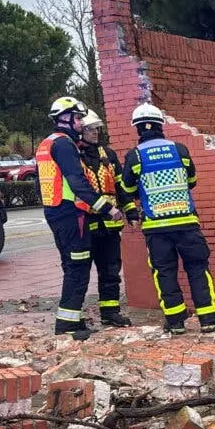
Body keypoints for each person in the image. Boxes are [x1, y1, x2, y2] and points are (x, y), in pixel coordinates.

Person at [120, 104, 215, 334]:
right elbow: (192, 181)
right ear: (161, 125)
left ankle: (176, 322)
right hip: (187, 223)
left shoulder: (134, 156)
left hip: (156, 228)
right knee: (198, 269)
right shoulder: (180, 150)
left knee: (165, 273)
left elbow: (127, 188)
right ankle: (209, 319)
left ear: (138, 128)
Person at [36, 96, 125, 341]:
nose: (80, 123)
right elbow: (77, 181)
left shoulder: (47, 143)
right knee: (78, 268)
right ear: (65, 118)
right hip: (70, 214)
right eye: (77, 118)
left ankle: (72, 320)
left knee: (72, 266)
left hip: (56, 212)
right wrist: (107, 208)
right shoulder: (64, 145)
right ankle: (67, 326)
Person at [77, 109, 134, 328]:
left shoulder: (108, 155)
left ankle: (110, 313)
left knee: (110, 271)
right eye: (90, 129)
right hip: (84, 225)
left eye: (97, 129)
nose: (95, 133)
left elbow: (120, 186)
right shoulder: (74, 156)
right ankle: (75, 316)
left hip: (109, 226)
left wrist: (131, 211)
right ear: (81, 131)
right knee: (80, 272)